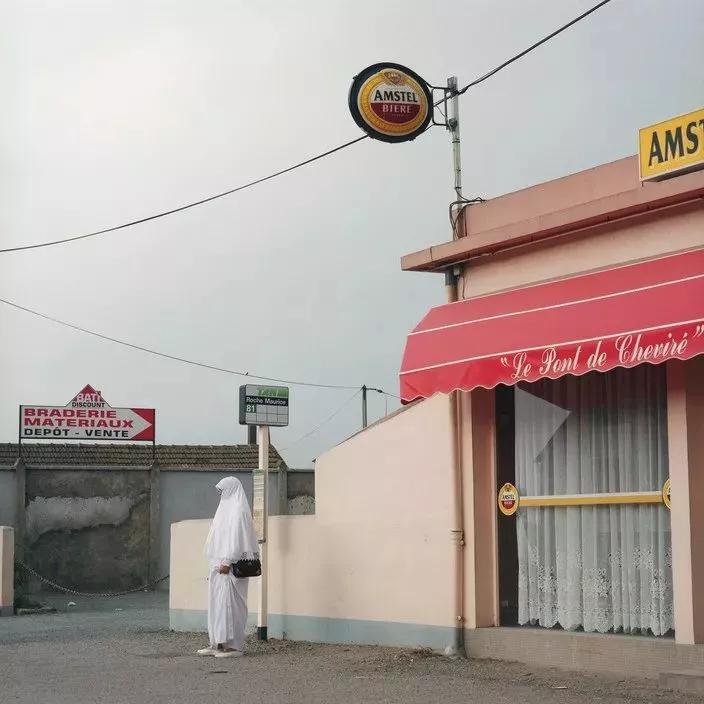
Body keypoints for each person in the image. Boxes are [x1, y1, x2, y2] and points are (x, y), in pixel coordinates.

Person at [197, 476, 259, 658]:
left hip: (230, 568)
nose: (221, 495)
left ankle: (234, 647)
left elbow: (238, 539)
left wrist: (227, 560)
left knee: (232, 606)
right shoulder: (224, 510)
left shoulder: (239, 511)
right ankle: (217, 643)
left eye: (223, 491)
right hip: (218, 567)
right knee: (217, 606)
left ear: (232, 489)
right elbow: (218, 538)